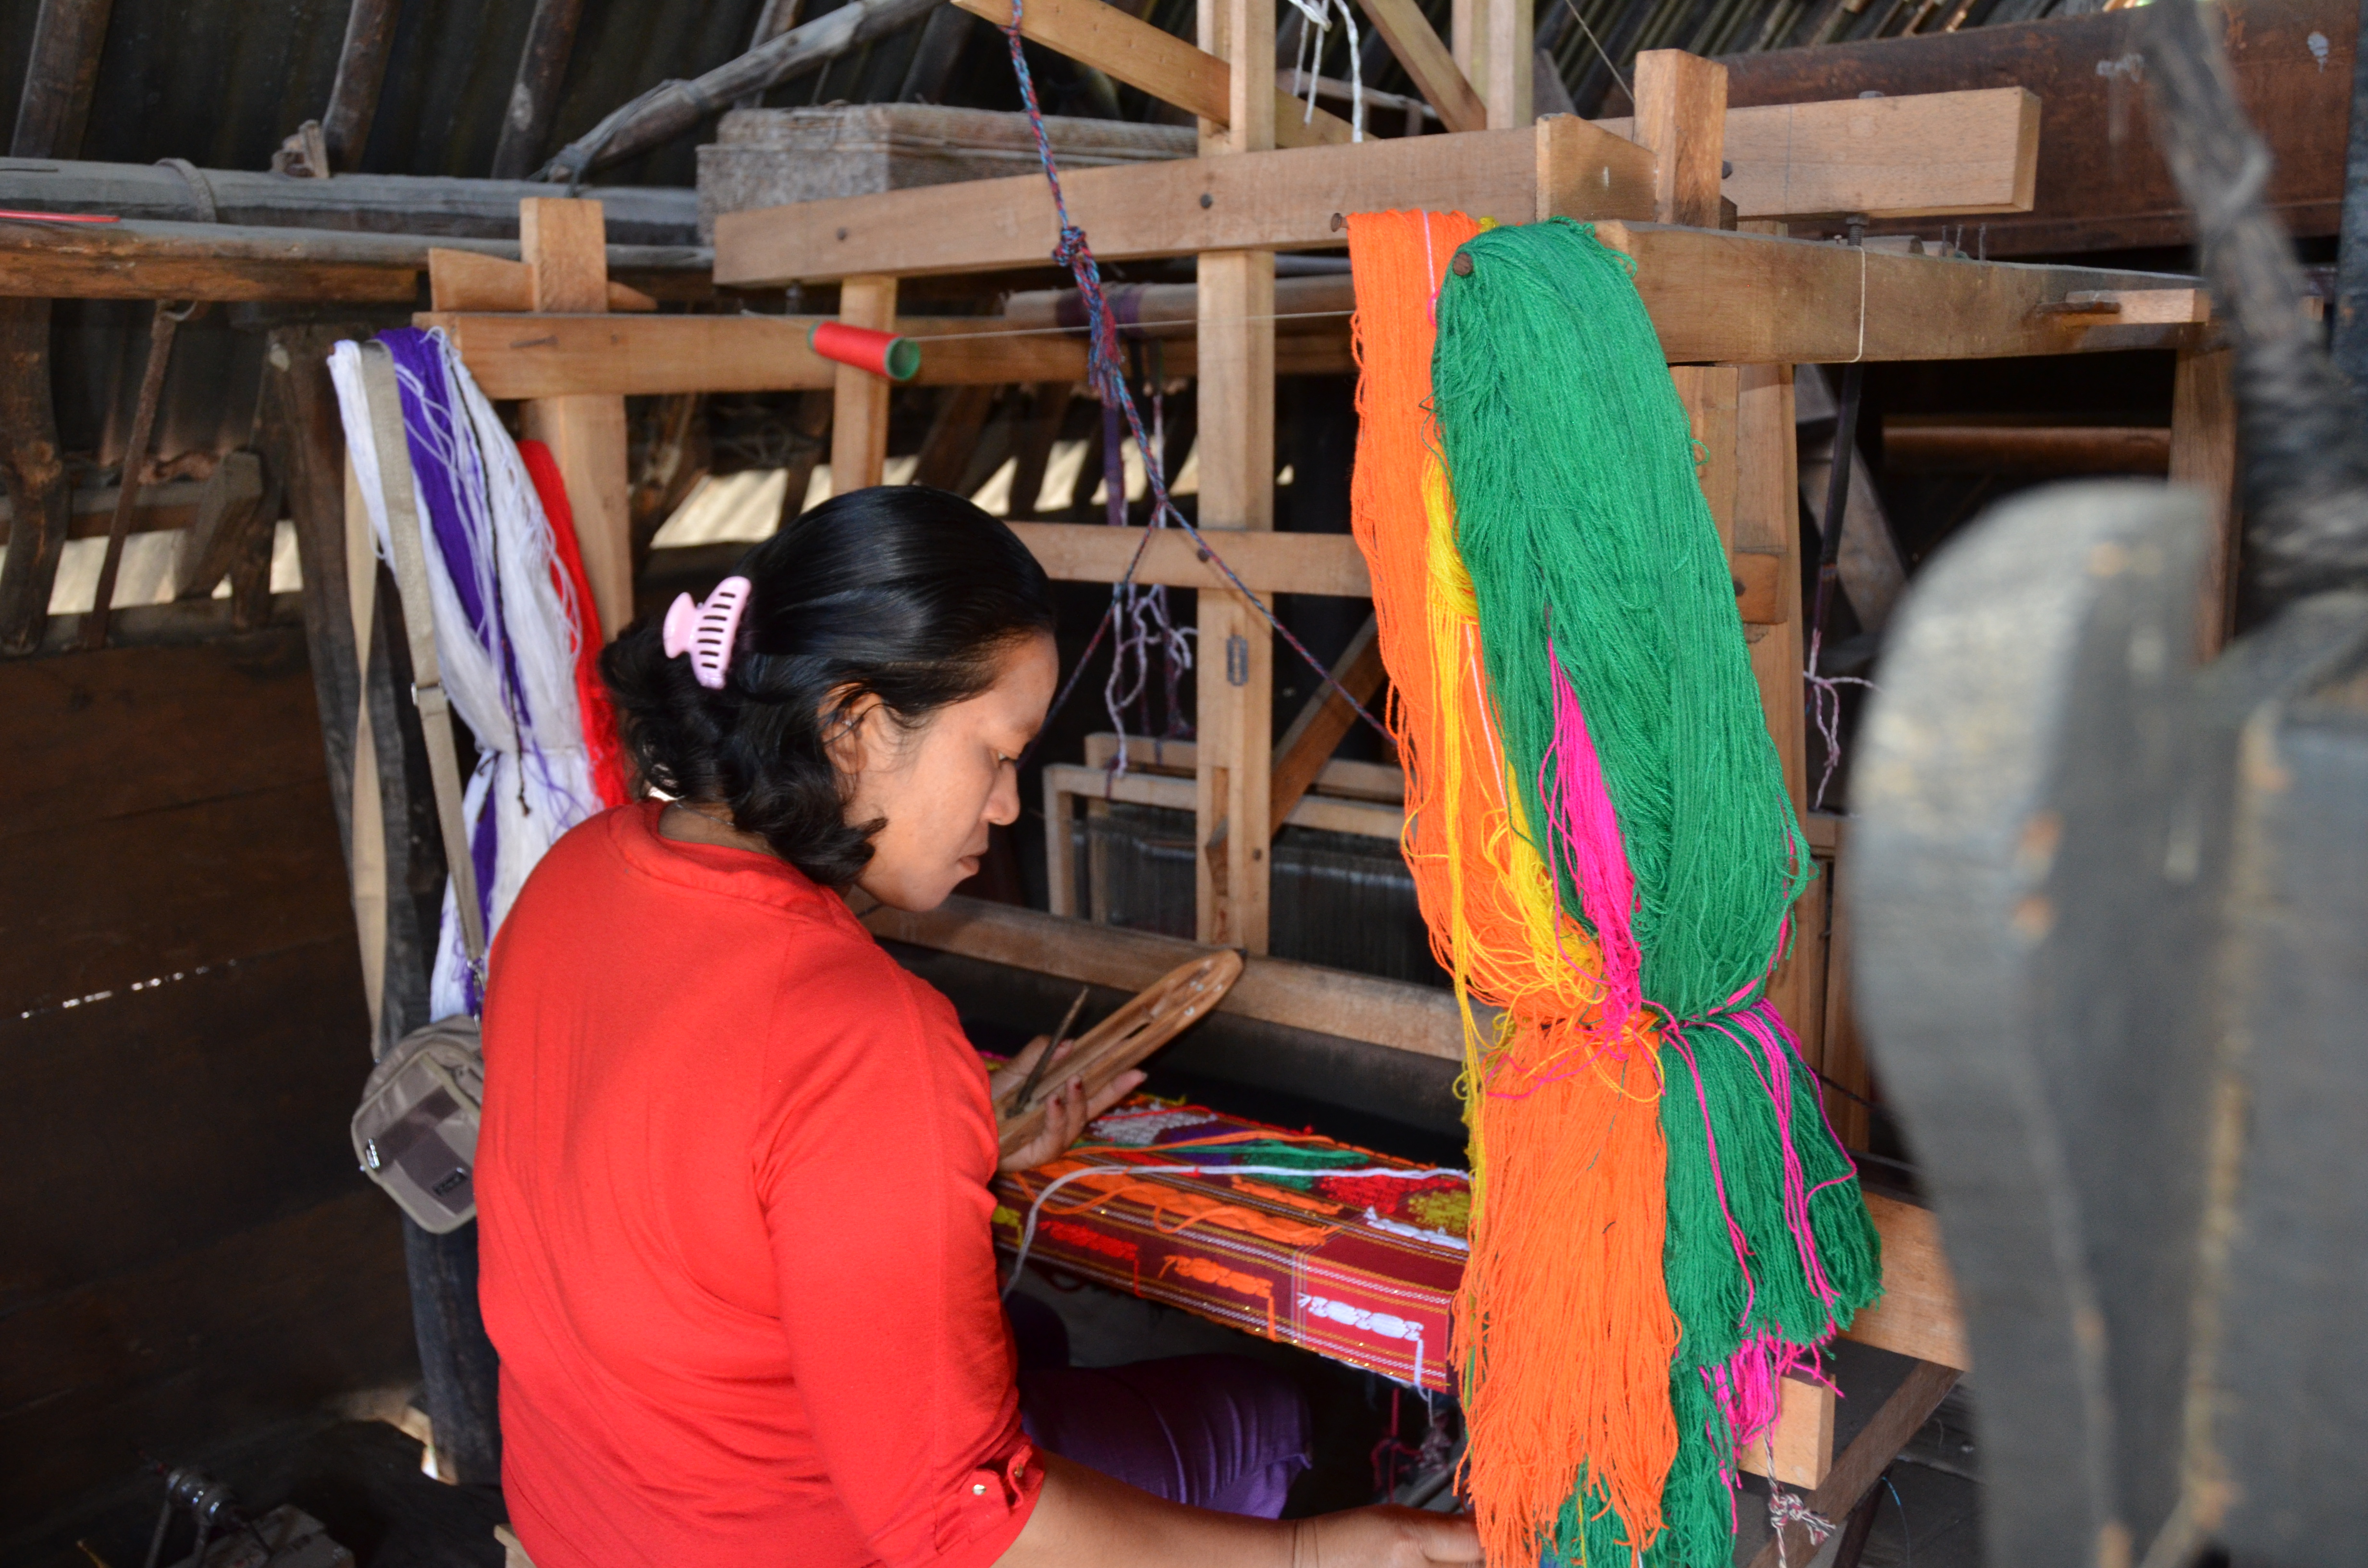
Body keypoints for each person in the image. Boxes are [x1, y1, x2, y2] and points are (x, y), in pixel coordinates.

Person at [475, 487, 1481, 1568]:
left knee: (1030, 1335)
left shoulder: (576, 873)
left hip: (585, 1524)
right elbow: (954, 1524)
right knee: (1259, 1417)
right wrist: (1314, 1556)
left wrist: (944, 1150)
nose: (1006, 805)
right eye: (998, 755)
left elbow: (684, 1180)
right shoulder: (862, 1034)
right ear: (854, 726)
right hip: (797, 1545)